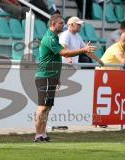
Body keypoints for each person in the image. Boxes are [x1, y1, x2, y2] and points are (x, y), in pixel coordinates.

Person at [34, 14, 97, 142]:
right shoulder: (50, 38)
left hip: (51, 76)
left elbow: (57, 57)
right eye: (61, 23)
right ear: (53, 24)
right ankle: (37, 135)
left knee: (47, 107)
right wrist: (83, 50)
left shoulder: (54, 37)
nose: (63, 25)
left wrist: (57, 77)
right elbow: (65, 53)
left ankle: (43, 134)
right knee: (42, 107)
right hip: (44, 76)